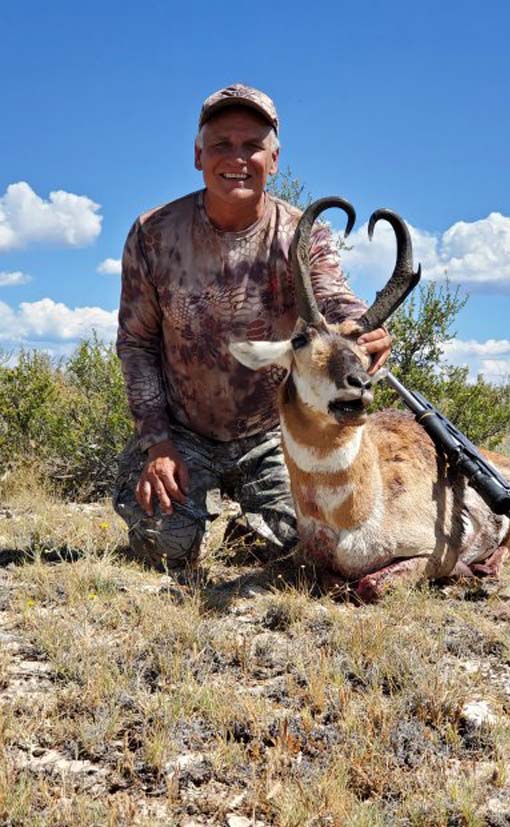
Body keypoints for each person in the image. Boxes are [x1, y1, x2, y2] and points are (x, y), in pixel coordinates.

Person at [113, 83, 391, 575]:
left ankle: (251, 530)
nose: (237, 158)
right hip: (182, 432)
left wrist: (360, 330)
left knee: (302, 547)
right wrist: (157, 443)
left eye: (252, 146)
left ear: (274, 159)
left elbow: (332, 296)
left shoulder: (301, 233)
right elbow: (137, 344)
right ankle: (182, 511)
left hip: (274, 434)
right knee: (165, 546)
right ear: (198, 155)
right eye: (221, 144)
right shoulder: (154, 233)